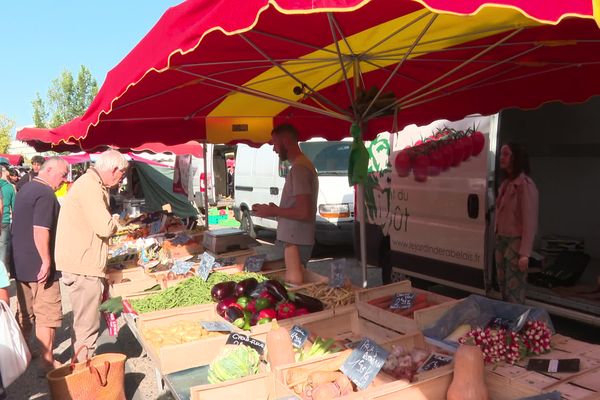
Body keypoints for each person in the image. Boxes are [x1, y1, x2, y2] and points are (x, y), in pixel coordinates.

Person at [55, 150, 128, 362]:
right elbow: (104, 227)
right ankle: (83, 378)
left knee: (83, 324)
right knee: (87, 327)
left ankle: (81, 368)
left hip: (82, 263)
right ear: (113, 169)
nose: (120, 179)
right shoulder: (89, 186)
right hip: (83, 266)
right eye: (121, 174)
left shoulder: (91, 184)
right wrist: (116, 219)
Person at [11, 157, 68, 372]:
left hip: (21, 262)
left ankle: (21, 353)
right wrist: (46, 260)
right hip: (38, 266)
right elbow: (40, 229)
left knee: (25, 312)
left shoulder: (26, 188)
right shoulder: (45, 193)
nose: (64, 180)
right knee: (47, 315)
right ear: (50, 170)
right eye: (63, 174)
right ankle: (47, 362)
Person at [253, 124, 318, 285]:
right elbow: (301, 208)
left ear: (285, 141)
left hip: (295, 243)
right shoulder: (301, 166)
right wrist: (275, 210)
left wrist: (271, 211)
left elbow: (304, 212)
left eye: (275, 143)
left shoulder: (300, 169)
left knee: (290, 286)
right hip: (294, 241)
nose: (274, 149)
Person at [495, 143, 538, 304]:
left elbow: (530, 221)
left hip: (515, 243)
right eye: (501, 154)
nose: (501, 158)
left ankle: (517, 321)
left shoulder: (525, 185)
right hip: (501, 241)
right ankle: (508, 319)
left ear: (516, 158)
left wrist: (525, 253)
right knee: (503, 285)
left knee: (515, 288)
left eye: (506, 154)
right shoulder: (506, 184)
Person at [0, 166, 15, 304]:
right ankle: (3, 279)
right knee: (3, 251)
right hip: (4, 222)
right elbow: (14, 207)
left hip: (3, 221)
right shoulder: (9, 188)